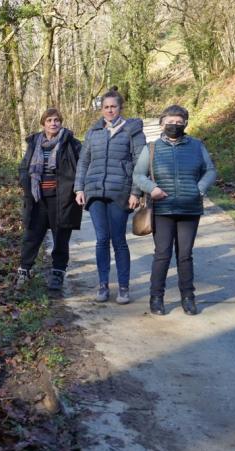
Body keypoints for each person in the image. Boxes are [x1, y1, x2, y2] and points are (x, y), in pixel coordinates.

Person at [133, 105, 216, 316]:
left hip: (190, 209)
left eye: (179, 122)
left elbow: (210, 171)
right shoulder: (151, 148)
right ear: (162, 123)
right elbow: (138, 175)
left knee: (185, 255)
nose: (175, 126)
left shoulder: (197, 146)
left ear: (185, 124)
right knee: (162, 254)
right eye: (170, 122)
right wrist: (153, 189)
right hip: (162, 210)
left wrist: (199, 189)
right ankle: (156, 297)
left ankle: (188, 297)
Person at [74, 88, 146, 304]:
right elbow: (84, 162)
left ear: (120, 107)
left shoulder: (132, 131)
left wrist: (136, 192)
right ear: (101, 109)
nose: (109, 110)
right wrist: (79, 188)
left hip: (120, 192)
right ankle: (103, 285)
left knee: (118, 240)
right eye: (106, 107)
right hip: (95, 192)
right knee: (101, 240)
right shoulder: (93, 131)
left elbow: (140, 163)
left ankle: (123, 288)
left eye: (113, 106)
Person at [16, 108, 83, 291]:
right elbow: (24, 167)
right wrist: (26, 184)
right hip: (37, 199)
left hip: (62, 199)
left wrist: (77, 190)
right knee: (31, 236)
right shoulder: (34, 143)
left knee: (60, 238)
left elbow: (81, 168)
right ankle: (24, 270)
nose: (53, 123)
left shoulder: (71, 144)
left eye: (56, 120)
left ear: (61, 123)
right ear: (43, 123)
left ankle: (57, 273)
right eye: (49, 120)